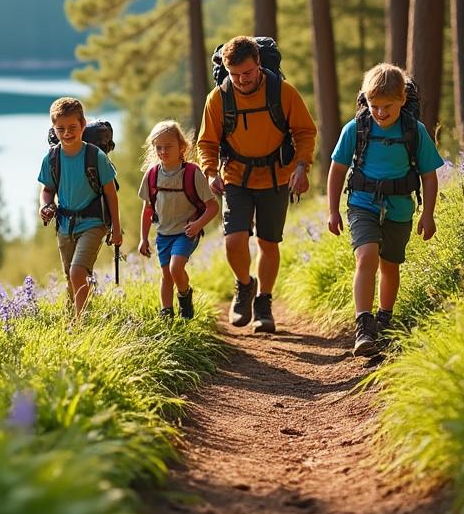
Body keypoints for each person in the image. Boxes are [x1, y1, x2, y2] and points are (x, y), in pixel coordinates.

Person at [196, 36, 317, 333]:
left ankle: (263, 302)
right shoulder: (219, 98)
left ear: (259, 64)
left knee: (268, 242)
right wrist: (211, 173)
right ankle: (245, 285)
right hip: (235, 176)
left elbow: (304, 132)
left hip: (277, 175)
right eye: (235, 75)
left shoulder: (283, 92)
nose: (241, 80)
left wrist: (301, 167)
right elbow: (207, 142)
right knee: (234, 240)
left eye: (247, 73)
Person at [325, 63, 443, 357]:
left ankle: (384, 320)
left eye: (387, 106)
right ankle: (363, 326)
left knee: (390, 266)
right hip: (362, 203)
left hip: (400, 207)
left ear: (403, 100)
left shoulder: (415, 131)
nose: (380, 112)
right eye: (374, 105)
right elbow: (337, 169)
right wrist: (333, 211)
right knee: (366, 257)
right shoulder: (355, 129)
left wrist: (428, 214)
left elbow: (429, 176)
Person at [38, 97, 123, 316]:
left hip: (94, 223)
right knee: (72, 277)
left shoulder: (96, 157)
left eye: (72, 127)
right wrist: (45, 205)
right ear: (54, 129)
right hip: (65, 226)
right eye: (61, 129)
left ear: (83, 125)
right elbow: (47, 189)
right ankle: (80, 314)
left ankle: (80, 323)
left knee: (77, 271)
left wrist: (115, 226)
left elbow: (111, 194)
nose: (67, 133)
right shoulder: (52, 158)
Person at [137, 120, 219, 320]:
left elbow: (212, 206)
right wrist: (143, 238)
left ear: (182, 147)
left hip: (186, 232)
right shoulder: (152, 175)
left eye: (168, 146)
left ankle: (184, 294)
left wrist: (198, 225)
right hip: (163, 234)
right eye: (159, 147)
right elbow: (148, 209)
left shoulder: (192, 173)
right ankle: (167, 314)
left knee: (175, 268)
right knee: (166, 275)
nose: (163, 151)